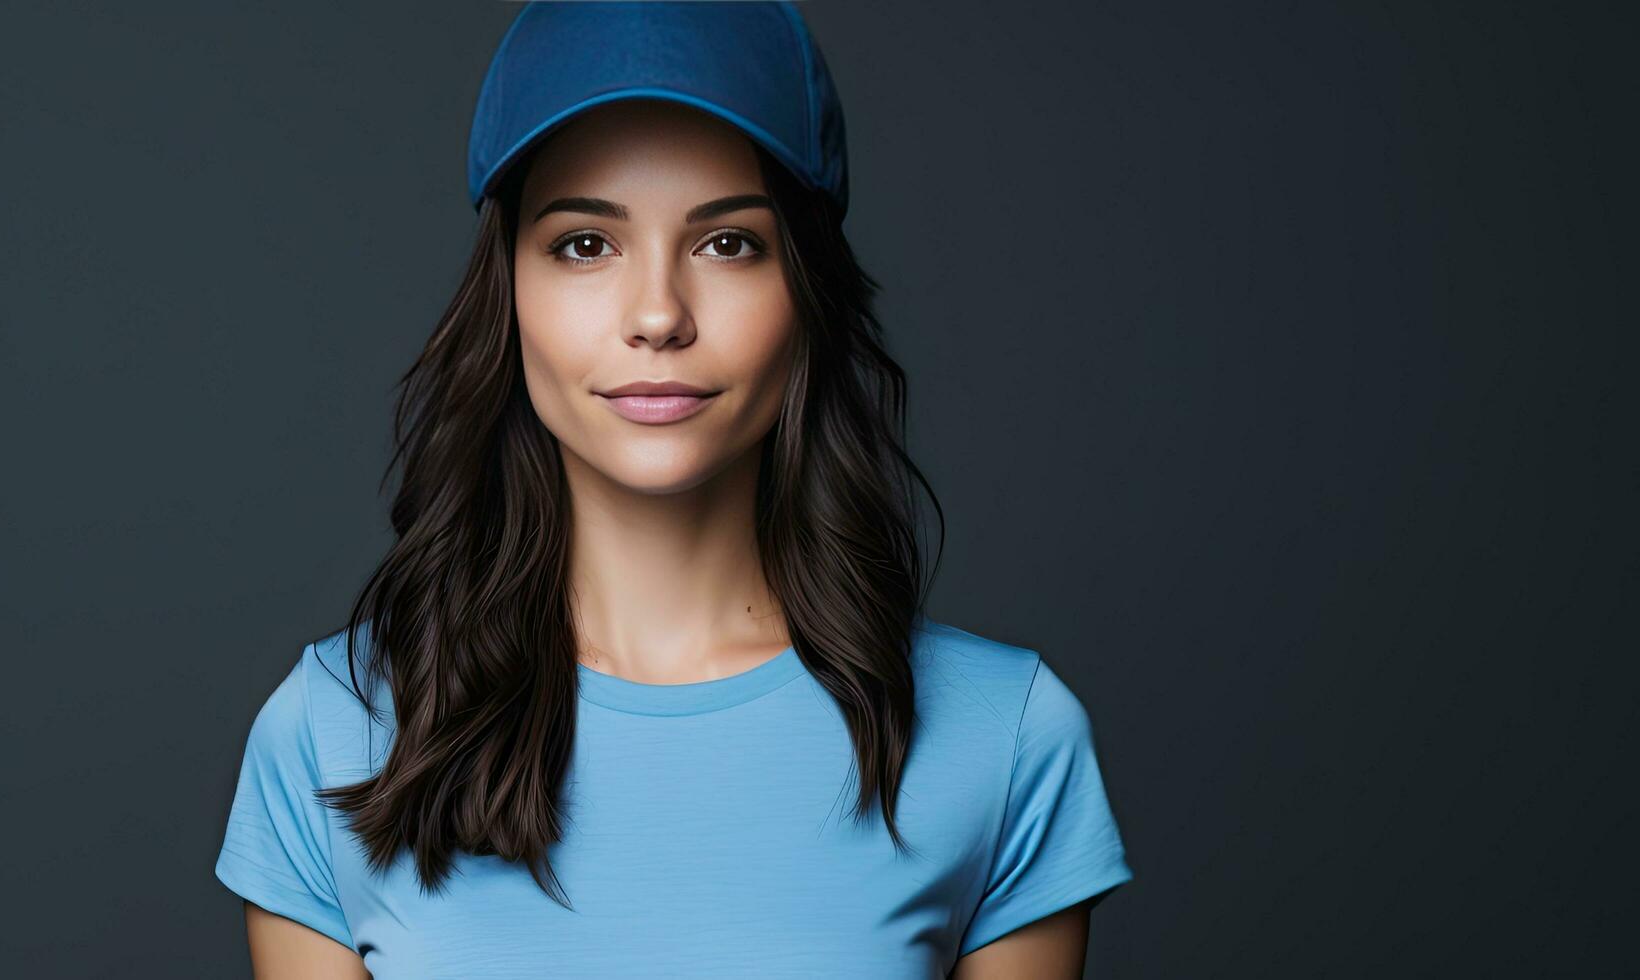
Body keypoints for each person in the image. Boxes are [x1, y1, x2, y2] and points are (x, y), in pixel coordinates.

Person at [214, 3, 1132, 977]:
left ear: (805, 294)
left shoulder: (1003, 737)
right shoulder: (334, 733)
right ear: (507, 291)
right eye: (583, 243)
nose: (656, 313)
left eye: (727, 242)